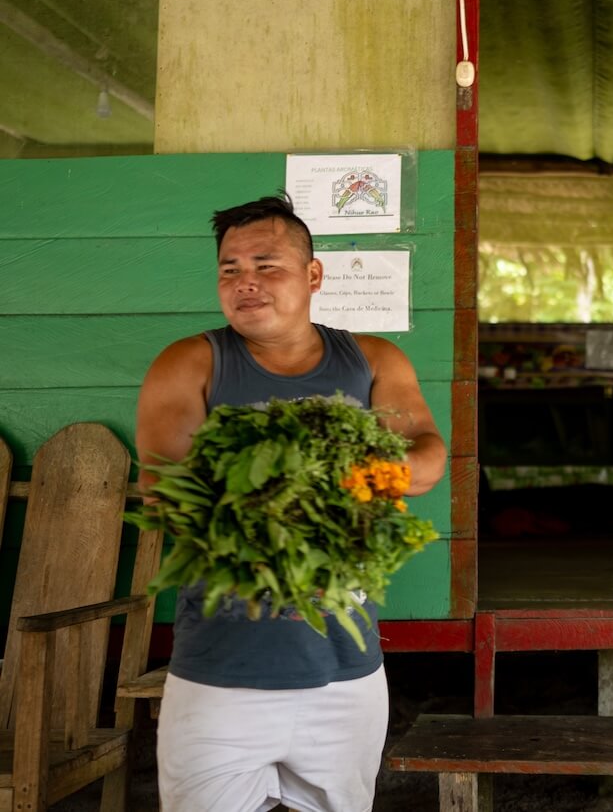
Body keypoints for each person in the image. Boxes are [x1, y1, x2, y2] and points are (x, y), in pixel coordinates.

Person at [135, 193, 447, 812]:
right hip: (221, 672)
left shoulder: (373, 359)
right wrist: (285, 494)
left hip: (346, 672)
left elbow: (428, 455)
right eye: (230, 269)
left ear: (313, 275)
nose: (245, 283)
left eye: (265, 264)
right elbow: (166, 494)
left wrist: (363, 475)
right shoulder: (190, 362)